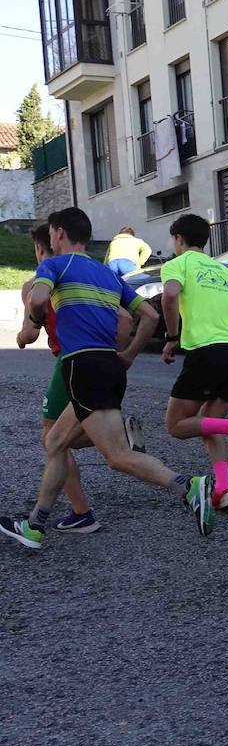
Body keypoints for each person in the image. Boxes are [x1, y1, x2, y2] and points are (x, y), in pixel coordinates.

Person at [1, 207, 215, 551]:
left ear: (57, 233)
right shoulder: (107, 274)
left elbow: (39, 299)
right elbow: (147, 314)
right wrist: (129, 355)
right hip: (110, 366)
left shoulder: (54, 265)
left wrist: (36, 317)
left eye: (53, 234)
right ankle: (35, 525)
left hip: (81, 365)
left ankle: (188, 486)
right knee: (55, 441)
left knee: (117, 456)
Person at [159, 213, 228, 511]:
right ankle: (224, 490)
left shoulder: (177, 264)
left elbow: (169, 296)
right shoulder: (224, 271)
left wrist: (172, 336)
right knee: (207, 425)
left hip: (206, 351)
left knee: (176, 425)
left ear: (178, 239)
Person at [15, 221, 103, 533]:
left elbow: (29, 331)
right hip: (100, 357)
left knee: (52, 437)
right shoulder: (84, 273)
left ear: (42, 247)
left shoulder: (40, 280)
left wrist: (20, 338)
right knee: (60, 436)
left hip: (68, 360)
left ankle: (78, 512)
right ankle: (79, 511)